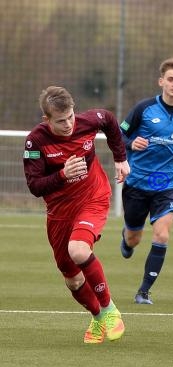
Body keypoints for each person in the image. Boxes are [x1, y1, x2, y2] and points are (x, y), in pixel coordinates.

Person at [23, 86, 130, 344]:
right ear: (46, 119)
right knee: (72, 279)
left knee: (79, 250)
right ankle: (97, 317)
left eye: (71, 116)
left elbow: (110, 120)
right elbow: (35, 186)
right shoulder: (35, 141)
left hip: (93, 196)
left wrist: (120, 158)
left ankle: (109, 310)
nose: (69, 124)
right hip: (59, 211)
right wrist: (62, 175)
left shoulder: (88, 122)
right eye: (61, 120)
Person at [119, 58, 173, 305]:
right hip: (136, 183)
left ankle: (143, 291)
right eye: (171, 80)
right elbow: (119, 135)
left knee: (162, 235)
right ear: (161, 82)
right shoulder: (143, 109)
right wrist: (131, 143)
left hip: (164, 185)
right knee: (134, 237)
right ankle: (127, 239)